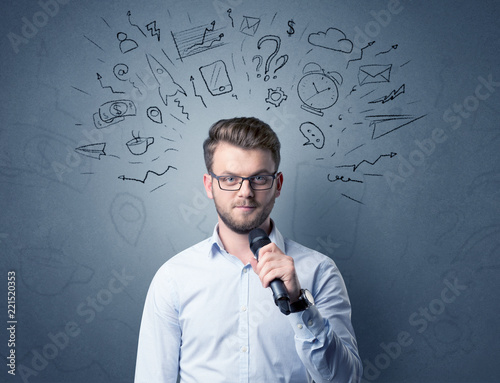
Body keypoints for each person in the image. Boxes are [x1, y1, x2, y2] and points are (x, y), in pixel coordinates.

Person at [134, 117, 362, 382]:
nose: (245, 191)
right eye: (230, 178)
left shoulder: (319, 271)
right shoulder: (173, 278)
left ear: (277, 185)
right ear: (209, 185)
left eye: (259, 178)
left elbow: (346, 380)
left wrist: (300, 304)